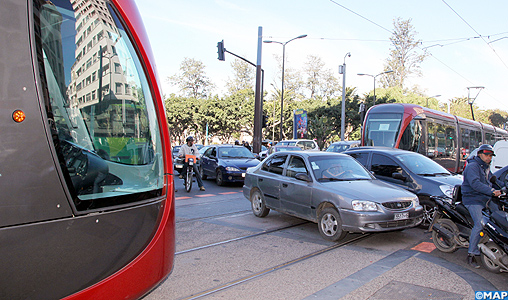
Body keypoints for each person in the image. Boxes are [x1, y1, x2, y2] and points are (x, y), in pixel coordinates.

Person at [461, 144, 501, 268]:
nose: (489, 158)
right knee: (480, 224)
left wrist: (502, 187)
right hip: (472, 199)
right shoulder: (473, 166)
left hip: (484, 198)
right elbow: (475, 184)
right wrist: (491, 191)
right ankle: (471, 254)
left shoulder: (485, 167)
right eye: (486, 155)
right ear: (479, 154)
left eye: (490, 156)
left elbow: (492, 180)